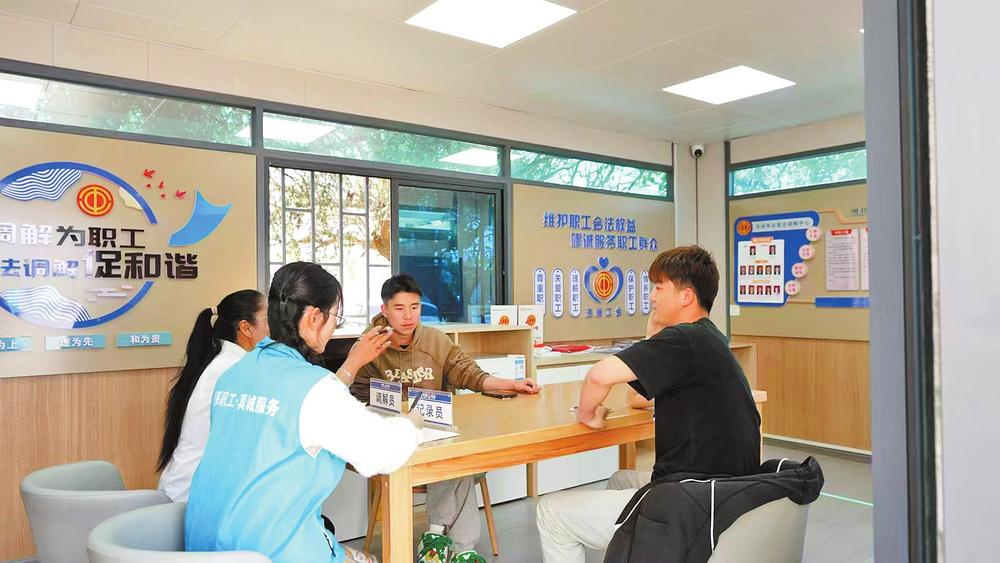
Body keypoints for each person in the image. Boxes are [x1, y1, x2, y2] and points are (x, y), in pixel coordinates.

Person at [185, 262, 423, 563]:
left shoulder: (234, 373)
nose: (334, 327)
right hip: (269, 550)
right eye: (335, 317)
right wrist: (412, 423)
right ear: (313, 318)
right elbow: (380, 452)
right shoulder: (315, 389)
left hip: (207, 546)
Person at [535, 246, 761, 562]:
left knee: (550, 511)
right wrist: (651, 336)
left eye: (658, 288)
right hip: (725, 493)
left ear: (686, 297)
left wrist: (587, 415)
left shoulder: (685, 338)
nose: (652, 297)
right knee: (619, 480)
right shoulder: (709, 338)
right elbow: (637, 398)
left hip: (692, 502)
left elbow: (598, 376)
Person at [350, 274, 541, 563]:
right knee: (460, 463)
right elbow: (358, 396)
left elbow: (471, 375)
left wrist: (512, 384)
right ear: (384, 310)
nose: (408, 316)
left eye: (415, 307)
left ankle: (441, 538)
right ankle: (457, 547)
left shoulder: (436, 341)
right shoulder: (369, 345)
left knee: (456, 458)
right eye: (399, 308)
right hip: (394, 440)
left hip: (435, 436)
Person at [157, 289, 268, 502]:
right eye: (269, 318)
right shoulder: (233, 369)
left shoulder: (227, 362)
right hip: (190, 497)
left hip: (191, 489)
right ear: (246, 328)